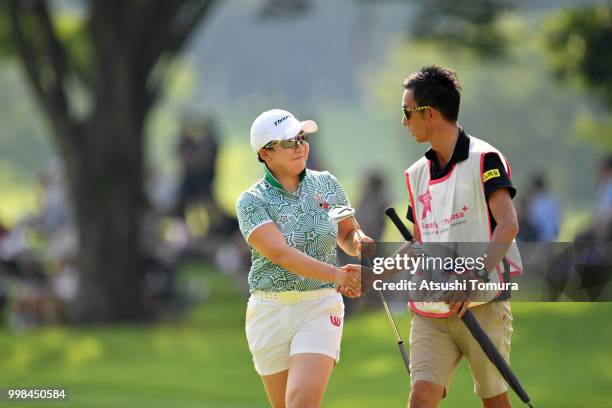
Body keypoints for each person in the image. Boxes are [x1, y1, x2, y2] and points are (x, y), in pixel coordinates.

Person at [400, 66, 522, 408]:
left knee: (494, 401)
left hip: (482, 304)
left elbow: (508, 224)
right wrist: (371, 273)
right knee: (421, 398)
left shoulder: (485, 159)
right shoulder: (416, 174)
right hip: (431, 309)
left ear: (430, 113)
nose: (404, 121)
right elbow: (418, 243)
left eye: (407, 112)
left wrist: (471, 278)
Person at [236, 109, 372, 408]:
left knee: (301, 403)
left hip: (320, 306)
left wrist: (360, 243)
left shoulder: (326, 185)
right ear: (265, 153)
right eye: (288, 142)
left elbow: (347, 233)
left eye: (302, 138)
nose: (300, 146)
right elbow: (280, 253)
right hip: (268, 311)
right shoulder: (251, 201)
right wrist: (338, 275)